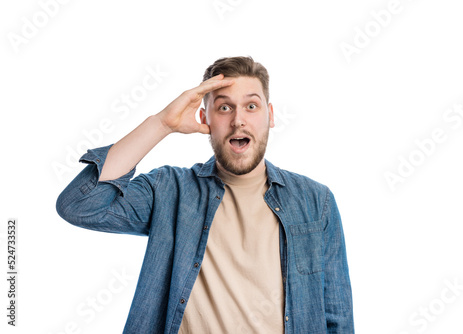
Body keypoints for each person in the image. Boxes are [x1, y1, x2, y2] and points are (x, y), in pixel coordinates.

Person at [56, 56, 354, 333]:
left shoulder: (316, 202)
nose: (239, 120)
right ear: (204, 118)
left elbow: (337, 317)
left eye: (252, 106)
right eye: (224, 107)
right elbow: (80, 205)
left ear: (270, 116)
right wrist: (161, 124)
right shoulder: (170, 189)